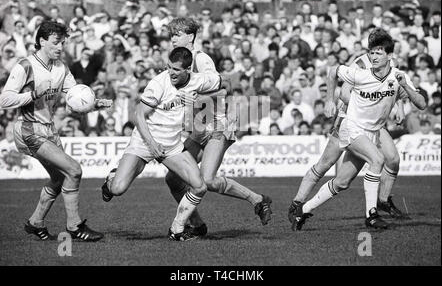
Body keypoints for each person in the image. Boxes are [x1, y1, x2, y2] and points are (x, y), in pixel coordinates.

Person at [289, 28, 426, 230]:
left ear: (390, 55)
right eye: (372, 51)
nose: (374, 56)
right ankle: (371, 215)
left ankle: (303, 211)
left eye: (379, 52)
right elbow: (332, 71)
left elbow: (421, 103)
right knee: (376, 159)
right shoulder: (360, 71)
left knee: (342, 182)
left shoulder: (398, 75)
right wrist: (329, 101)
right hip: (351, 126)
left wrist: (403, 94)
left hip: (371, 131)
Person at [0, 21, 112, 241]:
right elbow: (5, 99)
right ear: (42, 41)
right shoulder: (25, 65)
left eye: (63, 42)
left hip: (49, 129)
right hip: (28, 129)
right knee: (74, 170)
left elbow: (74, 100)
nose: (61, 47)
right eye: (56, 42)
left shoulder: (61, 67)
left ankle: (35, 222)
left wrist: (94, 103)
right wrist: (32, 94)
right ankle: (74, 226)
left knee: (59, 179)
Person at [162, 17, 273, 236]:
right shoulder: (179, 60)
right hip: (199, 129)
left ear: (190, 36)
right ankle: (197, 224)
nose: (173, 38)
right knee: (173, 178)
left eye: (177, 34)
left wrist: (198, 98)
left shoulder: (201, 60)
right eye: (171, 35)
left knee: (208, 179)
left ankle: (258, 200)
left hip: (217, 125)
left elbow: (226, 88)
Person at [101, 47, 222, 241]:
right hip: (144, 141)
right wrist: (152, 144)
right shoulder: (158, 83)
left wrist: (201, 98)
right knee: (117, 189)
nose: (171, 72)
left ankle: (177, 228)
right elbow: (138, 115)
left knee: (200, 187)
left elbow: (227, 87)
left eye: (176, 69)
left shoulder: (200, 80)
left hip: (172, 146)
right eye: (169, 67)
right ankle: (112, 178)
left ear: (188, 69)